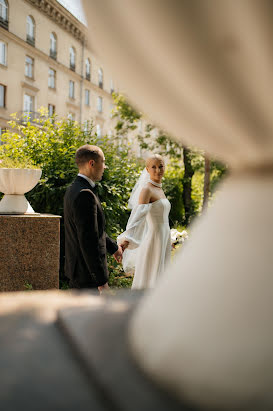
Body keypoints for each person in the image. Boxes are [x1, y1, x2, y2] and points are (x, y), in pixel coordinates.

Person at [64, 144, 123, 293]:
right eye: (103, 162)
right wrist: (101, 281)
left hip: (80, 271)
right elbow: (88, 241)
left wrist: (114, 248)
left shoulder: (74, 188)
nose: (105, 167)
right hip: (87, 277)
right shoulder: (85, 193)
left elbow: (95, 229)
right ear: (92, 163)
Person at [118, 154, 171, 289]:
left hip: (164, 238)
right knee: (151, 277)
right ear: (147, 169)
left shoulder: (159, 188)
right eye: (153, 167)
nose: (158, 170)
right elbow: (137, 218)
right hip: (154, 239)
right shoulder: (147, 190)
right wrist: (127, 239)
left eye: (161, 166)